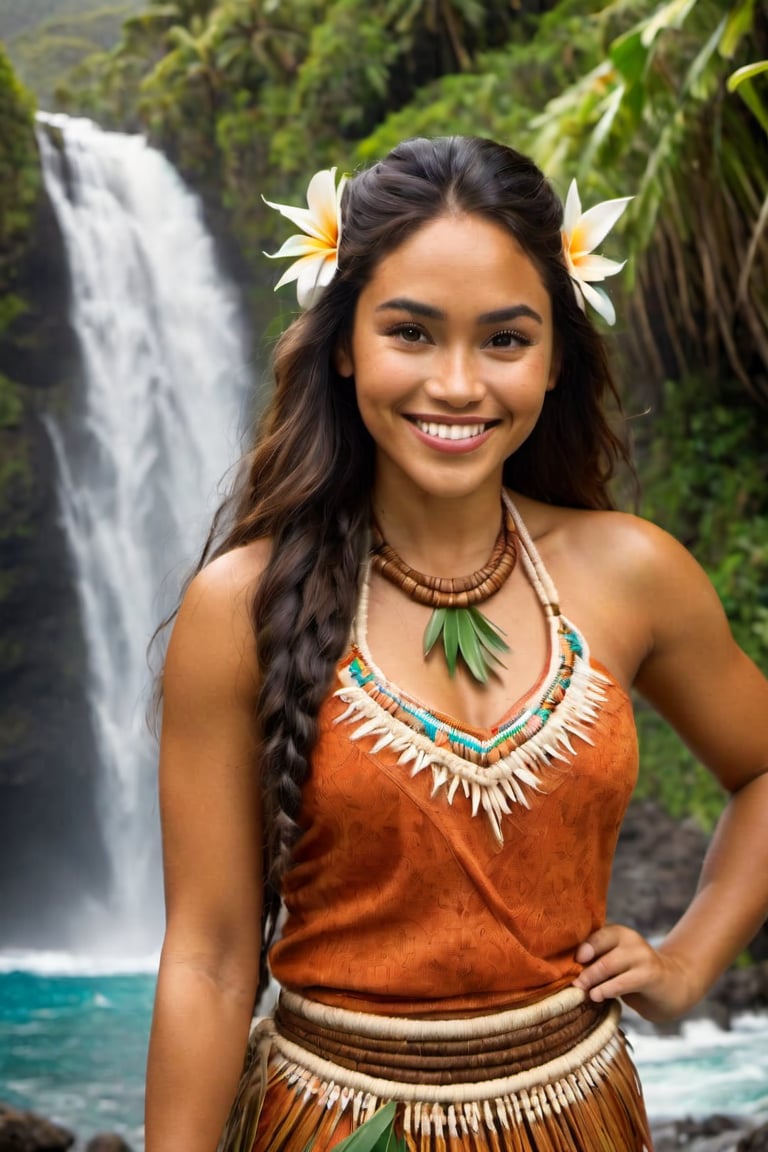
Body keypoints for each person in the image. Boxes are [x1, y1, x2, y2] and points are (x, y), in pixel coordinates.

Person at [144, 136, 768, 1152]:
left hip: (581, 1122)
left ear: (556, 356)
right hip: (320, 1122)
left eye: (505, 341)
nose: (458, 383)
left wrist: (690, 962)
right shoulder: (242, 607)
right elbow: (210, 960)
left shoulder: (632, 574)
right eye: (412, 333)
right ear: (345, 341)